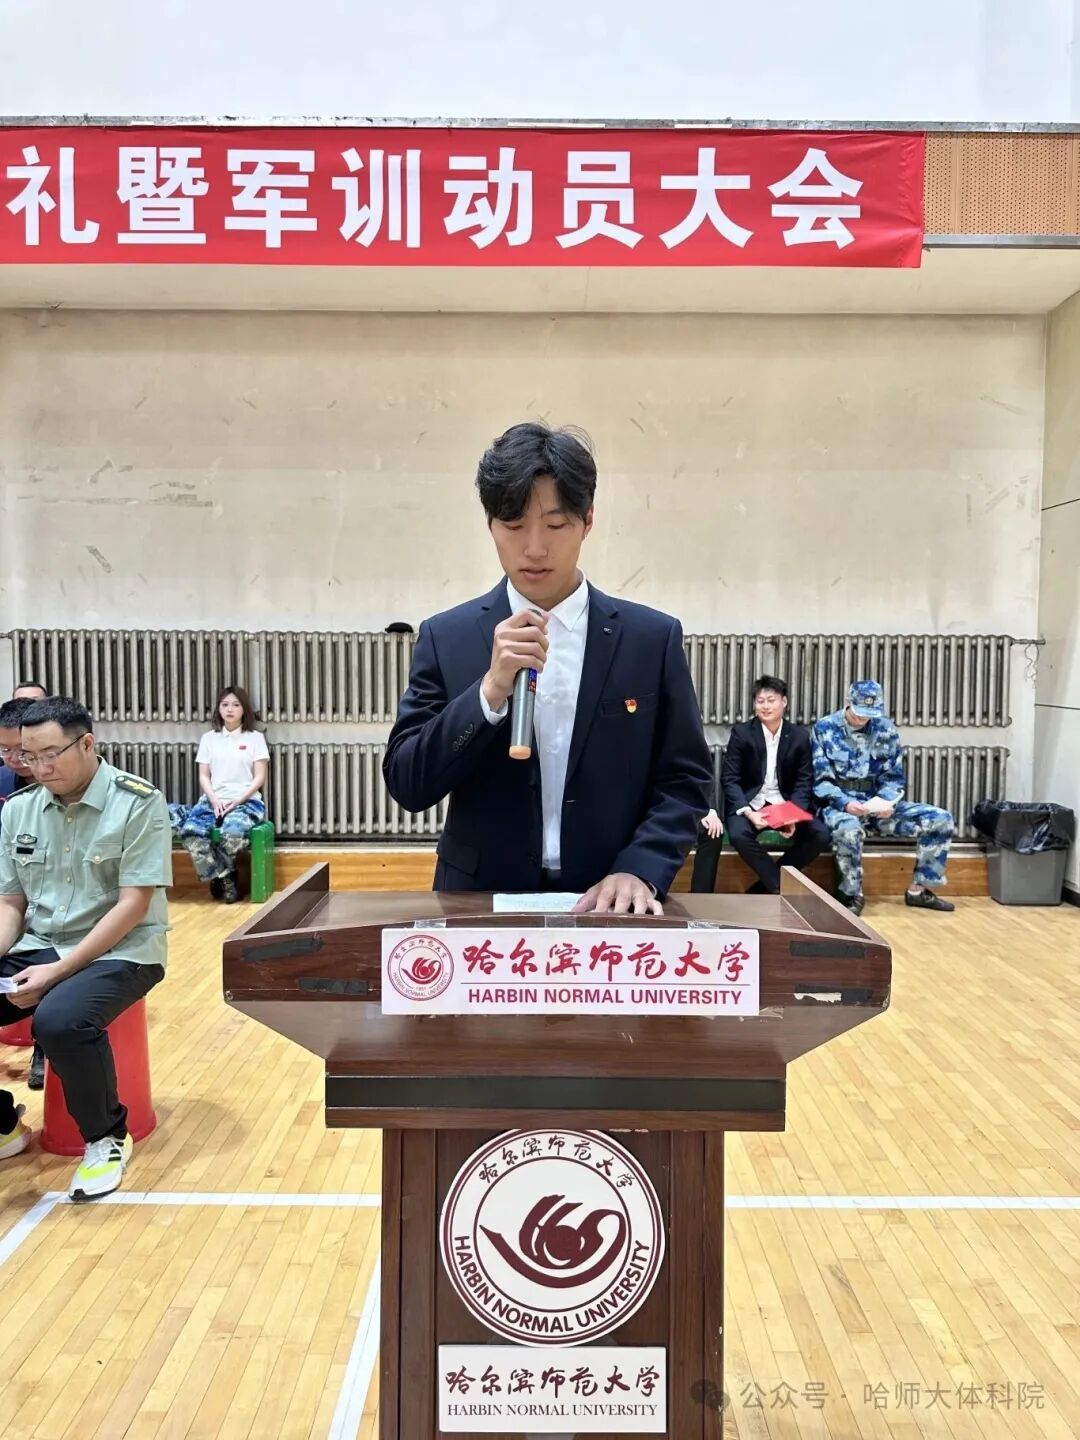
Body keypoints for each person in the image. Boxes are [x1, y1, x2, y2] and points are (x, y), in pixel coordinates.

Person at [384, 421, 713, 912]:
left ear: (588, 521)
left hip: (607, 903)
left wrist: (641, 867)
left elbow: (685, 779)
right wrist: (489, 692)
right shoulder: (446, 636)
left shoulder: (650, 639)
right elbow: (408, 782)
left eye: (556, 526)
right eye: (514, 525)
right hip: (479, 902)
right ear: (490, 524)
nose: (535, 548)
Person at [0, 697, 171, 1199]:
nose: (39, 768)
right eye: (28, 757)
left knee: (59, 1021)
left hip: (123, 951)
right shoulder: (20, 809)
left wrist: (56, 972)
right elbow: (10, 902)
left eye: (50, 754)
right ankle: (4, 1127)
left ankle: (107, 1137)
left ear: (87, 744)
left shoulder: (137, 802)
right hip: (41, 942)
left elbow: (133, 905)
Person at [812, 680, 955, 916]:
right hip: (839, 805)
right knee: (848, 830)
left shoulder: (885, 729)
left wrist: (887, 802)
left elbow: (894, 778)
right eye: (859, 712)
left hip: (876, 805)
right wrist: (846, 803)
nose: (864, 718)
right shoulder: (825, 728)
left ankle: (919, 890)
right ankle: (851, 894)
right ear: (848, 702)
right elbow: (821, 780)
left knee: (940, 819)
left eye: (870, 713)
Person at [693, 676, 830, 893]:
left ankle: (761, 889)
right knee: (738, 834)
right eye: (760, 701)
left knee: (820, 835)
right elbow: (730, 778)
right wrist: (748, 812)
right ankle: (777, 885)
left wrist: (792, 815)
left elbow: (804, 780)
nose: (765, 706)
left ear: (784, 702)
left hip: (784, 805)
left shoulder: (798, 736)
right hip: (751, 804)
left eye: (771, 700)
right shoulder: (742, 733)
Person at [168, 686, 269, 904]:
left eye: (235, 705)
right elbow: (204, 776)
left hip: (246, 802)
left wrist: (238, 800)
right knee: (191, 832)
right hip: (212, 801)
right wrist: (214, 800)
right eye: (225, 705)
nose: (230, 710)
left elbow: (259, 777)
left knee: (232, 834)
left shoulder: (255, 739)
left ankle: (221, 875)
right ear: (218, 709)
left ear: (244, 709)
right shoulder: (209, 739)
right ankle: (224, 875)